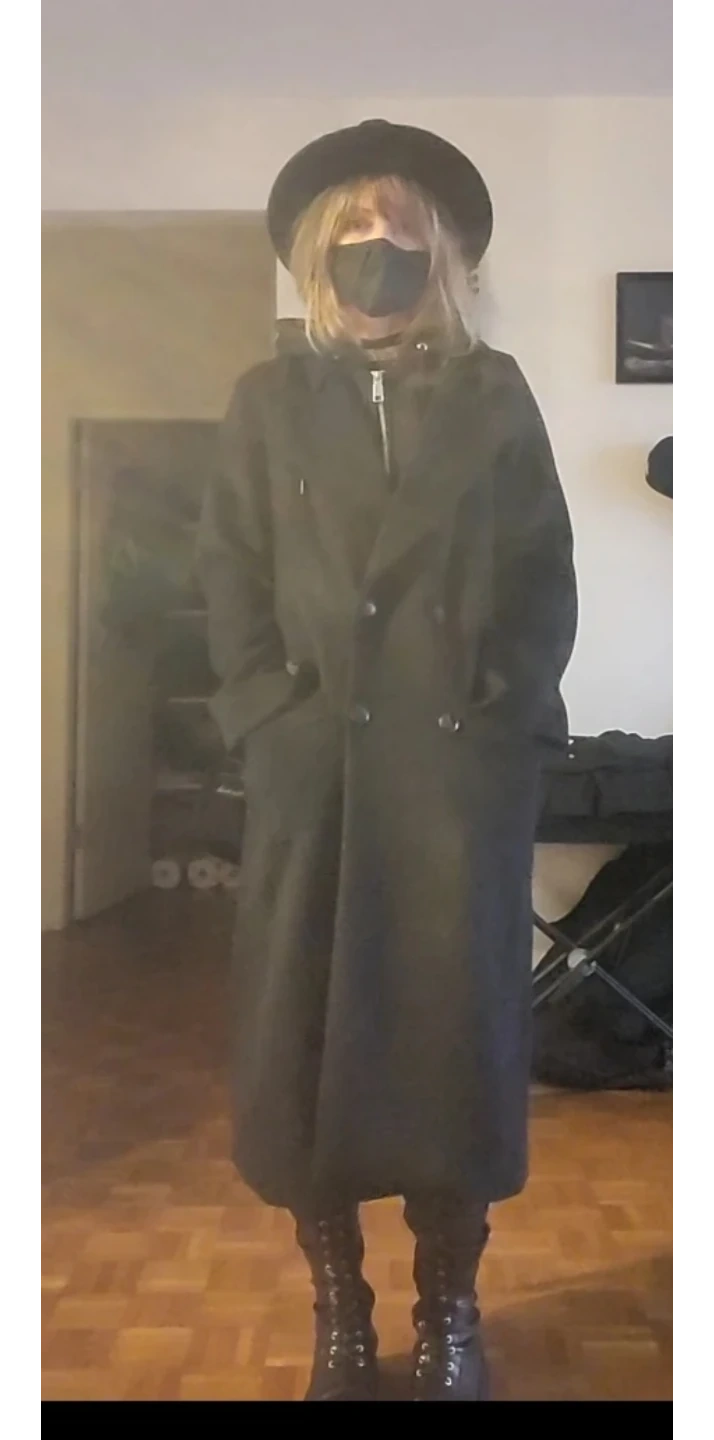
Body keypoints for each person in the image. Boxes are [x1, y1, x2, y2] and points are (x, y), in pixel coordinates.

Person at [198, 118, 577, 1403]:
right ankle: (343, 1313)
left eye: (401, 229)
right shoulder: (266, 403)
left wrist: (501, 721)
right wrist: (268, 716)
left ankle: (450, 1311)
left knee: (450, 1055)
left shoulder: (494, 394)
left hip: (454, 789)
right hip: (315, 783)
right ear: (318, 252)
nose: (378, 246)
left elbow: (541, 582)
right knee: (305, 1052)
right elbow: (229, 577)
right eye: (355, 228)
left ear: (442, 256)